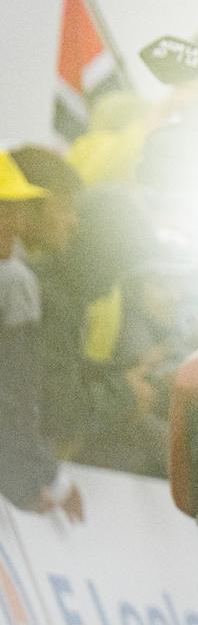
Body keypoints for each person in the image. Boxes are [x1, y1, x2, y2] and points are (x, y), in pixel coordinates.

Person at [0, 151, 84, 523]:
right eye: (6, 209)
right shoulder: (13, 283)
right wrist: (39, 480)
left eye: (18, 208)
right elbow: (13, 399)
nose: (17, 222)